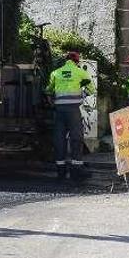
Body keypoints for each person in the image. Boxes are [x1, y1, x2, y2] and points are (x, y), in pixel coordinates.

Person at [46, 51, 95, 181]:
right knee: (76, 138)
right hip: (73, 110)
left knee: (59, 139)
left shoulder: (55, 73)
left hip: (59, 110)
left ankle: (60, 171)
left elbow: (49, 90)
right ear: (76, 62)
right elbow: (91, 89)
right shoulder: (80, 72)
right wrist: (81, 95)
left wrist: (53, 100)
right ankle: (76, 170)